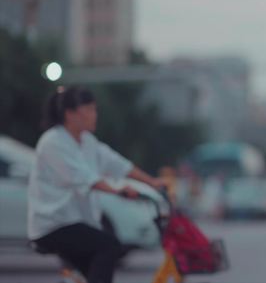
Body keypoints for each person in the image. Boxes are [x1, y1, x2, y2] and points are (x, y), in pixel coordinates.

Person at [28, 86, 166, 283]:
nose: (95, 115)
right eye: (90, 109)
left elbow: (117, 163)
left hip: (77, 221)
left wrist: (151, 182)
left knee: (94, 272)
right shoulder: (53, 142)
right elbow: (84, 178)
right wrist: (118, 190)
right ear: (71, 114)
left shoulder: (87, 141)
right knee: (108, 246)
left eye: (95, 109)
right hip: (54, 223)